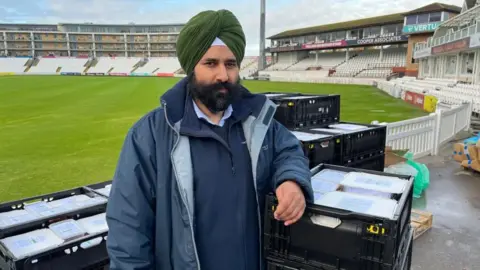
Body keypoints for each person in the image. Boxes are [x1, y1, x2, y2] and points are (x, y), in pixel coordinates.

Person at [106, 9, 313, 270]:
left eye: (230, 64)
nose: (223, 75)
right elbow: (128, 230)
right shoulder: (150, 135)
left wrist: (291, 180)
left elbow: (289, 151)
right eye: (211, 63)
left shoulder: (257, 120)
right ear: (191, 67)